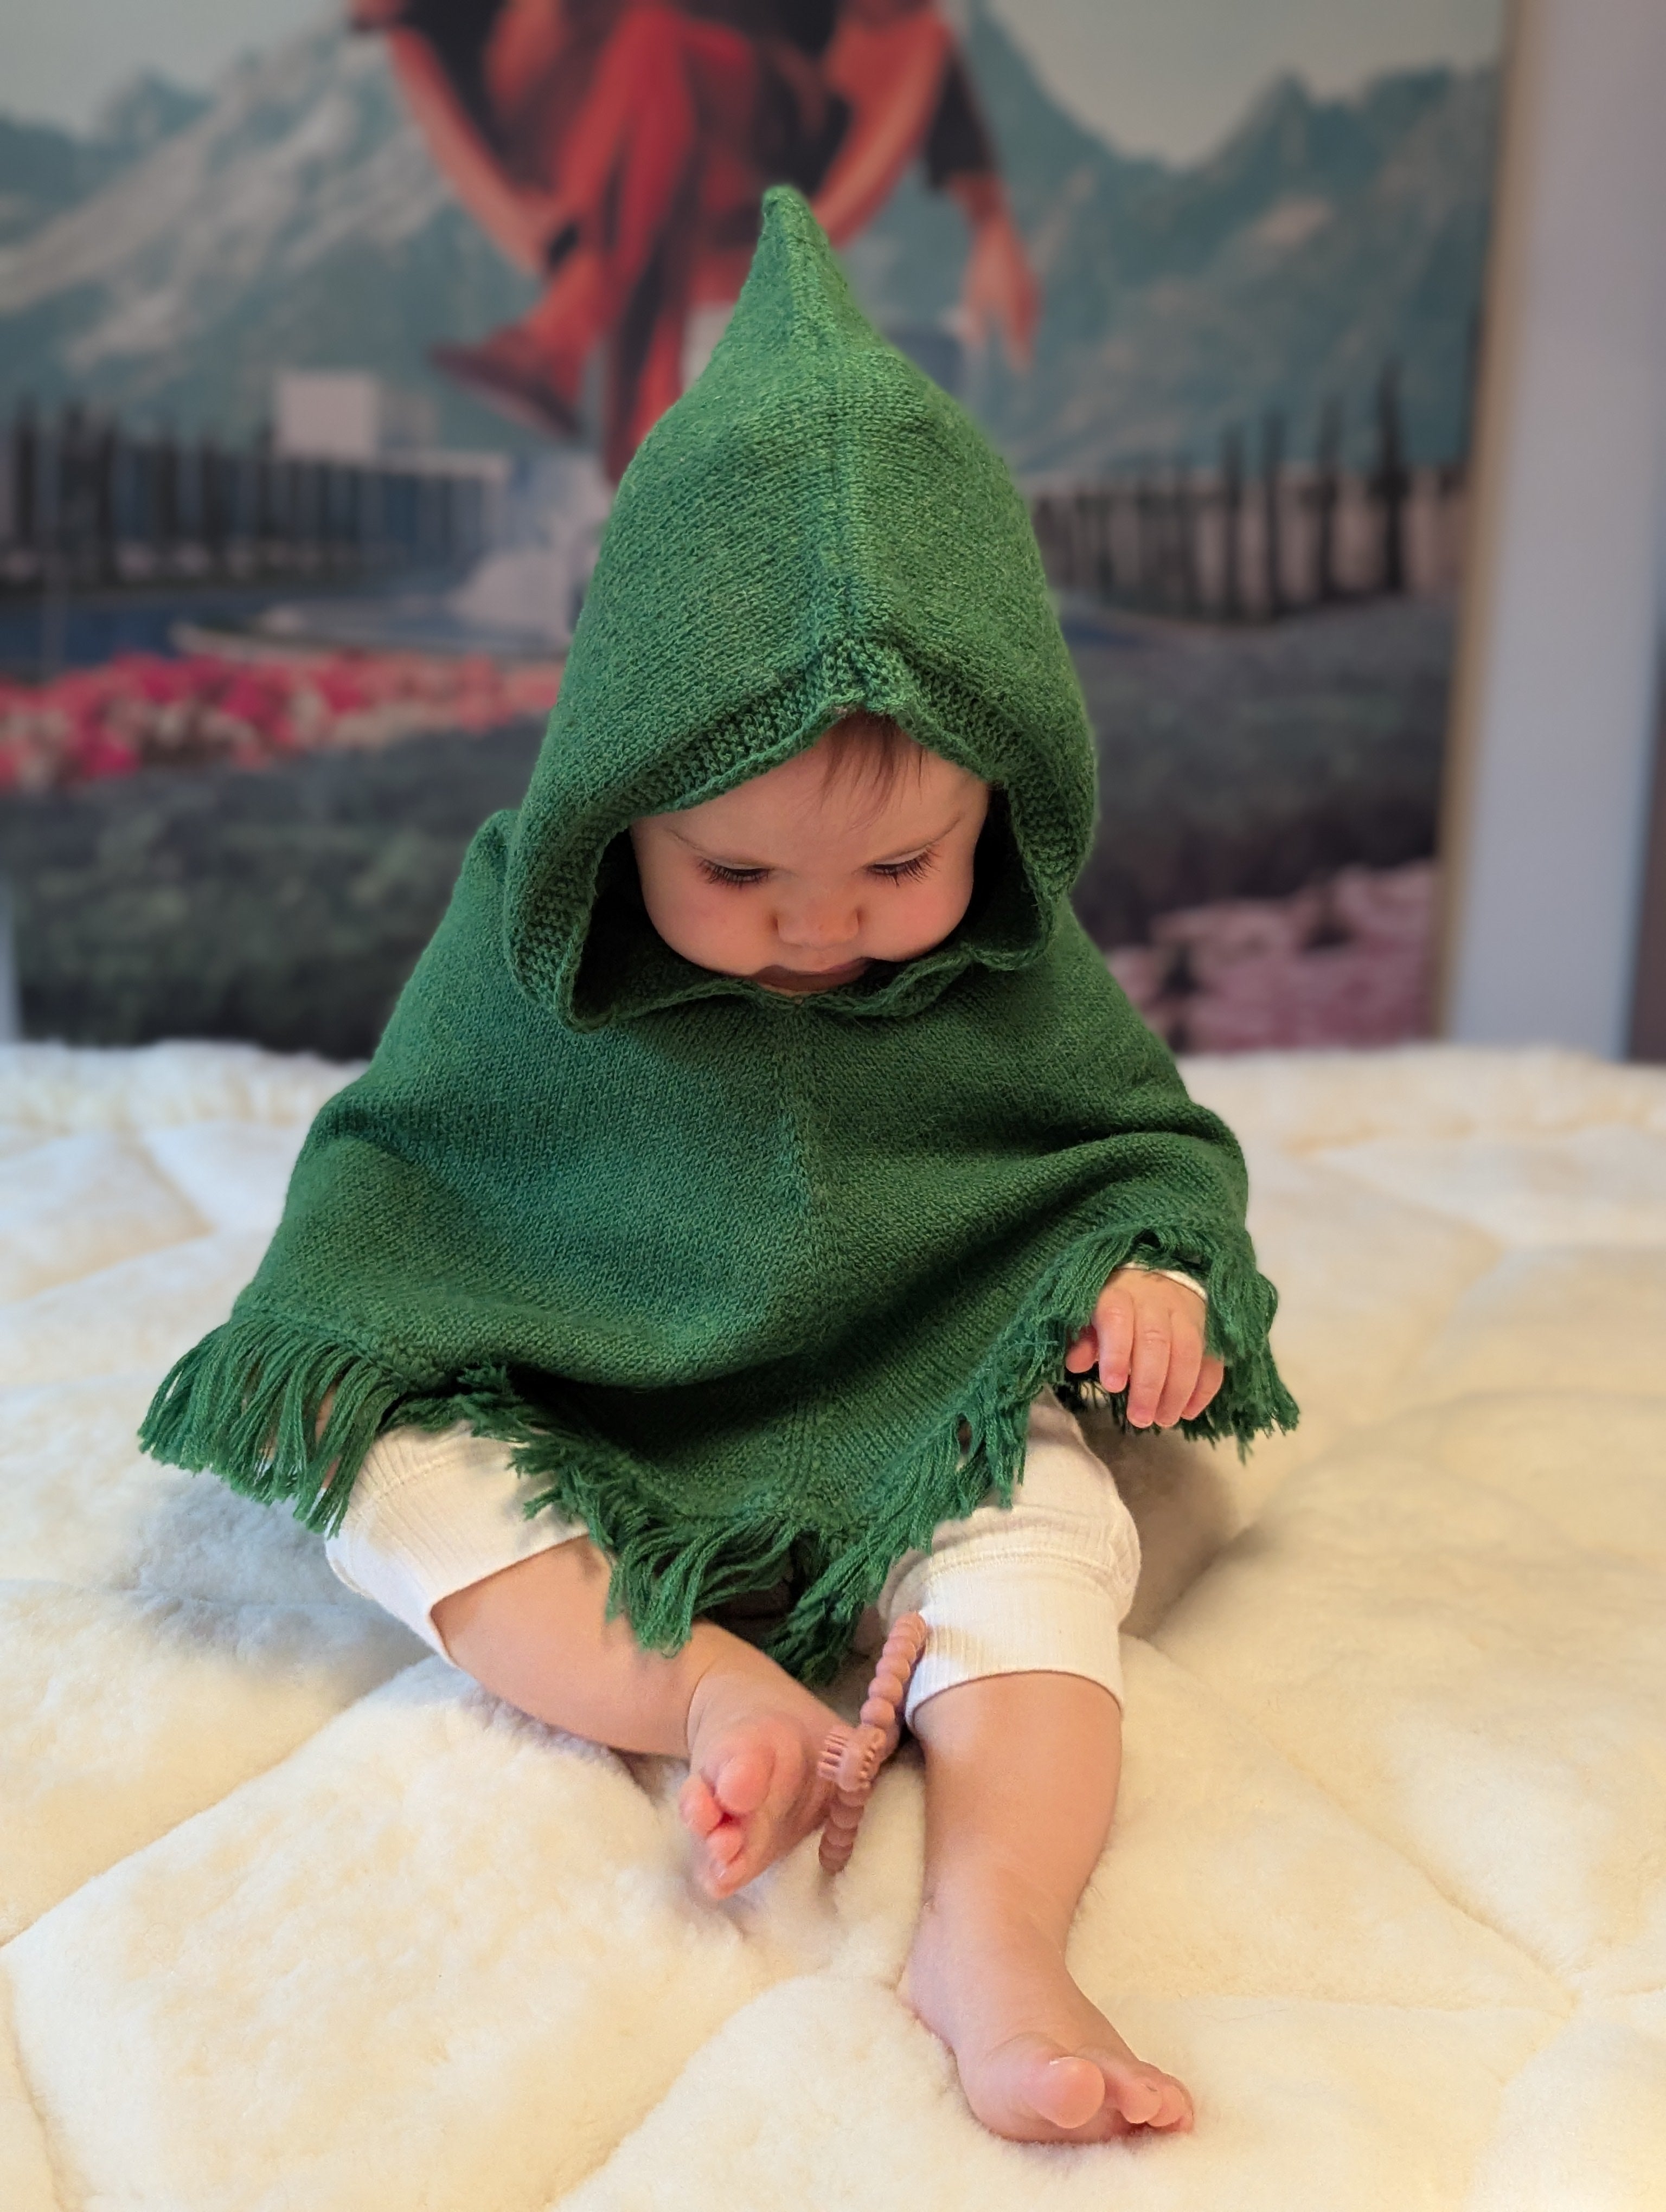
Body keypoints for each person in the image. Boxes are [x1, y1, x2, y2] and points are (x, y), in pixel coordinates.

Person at [141, 192, 1293, 2145]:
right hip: (577, 1400)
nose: (816, 928)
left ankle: (995, 1922)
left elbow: (1123, 1150)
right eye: (737, 872)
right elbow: (404, 1172)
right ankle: (701, 1682)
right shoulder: (535, 942)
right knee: (381, 1466)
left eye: (898, 870)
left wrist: (1149, 1277)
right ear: (613, 795)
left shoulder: (1006, 949)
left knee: (1039, 1528)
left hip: (910, 1392)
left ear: (997, 805)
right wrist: (353, 1340)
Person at [353, 0, 1037, 477]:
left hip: (761, 117)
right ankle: (649, 435)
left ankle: (563, 334)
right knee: (656, 133)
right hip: (615, 136)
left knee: (654, 44)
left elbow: (911, 37)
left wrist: (991, 222)